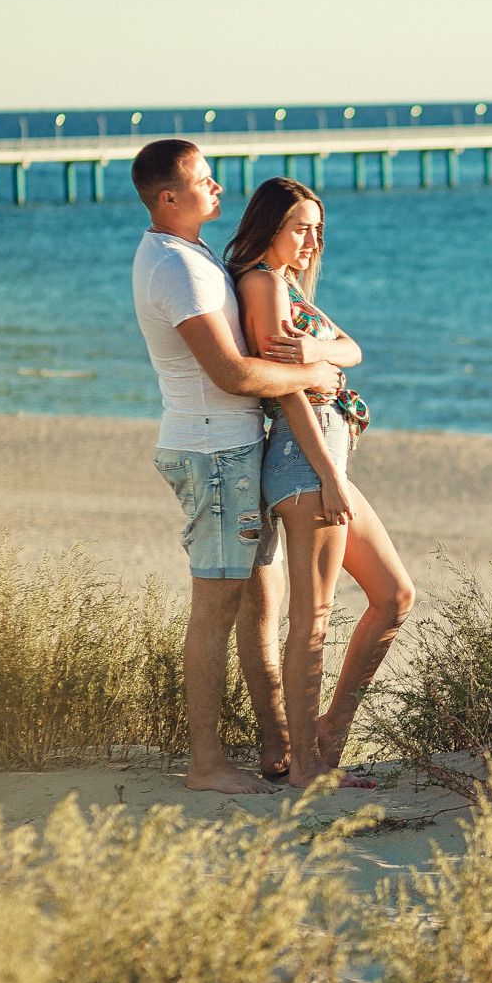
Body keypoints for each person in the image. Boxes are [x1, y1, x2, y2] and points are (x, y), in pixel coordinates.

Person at [130, 139, 341, 794]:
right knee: (215, 609)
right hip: (214, 452)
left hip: (227, 447)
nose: (219, 188)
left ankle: (275, 747)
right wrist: (314, 371)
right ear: (170, 196)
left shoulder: (188, 257)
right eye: (205, 180)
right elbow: (230, 371)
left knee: (255, 607)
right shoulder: (176, 268)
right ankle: (206, 763)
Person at [225, 177, 414, 789]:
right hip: (307, 463)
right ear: (269, 226)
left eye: (317, 229)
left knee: (392, 595)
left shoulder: (285, 287)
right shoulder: (260, 282)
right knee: (314, 616)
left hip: (324, 459)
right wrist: (330, 475)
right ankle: (307, 766)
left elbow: (354, 349)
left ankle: (326, 738)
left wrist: (317, 350)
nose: (312, 239)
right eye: (300, 227)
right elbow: (291, 396)